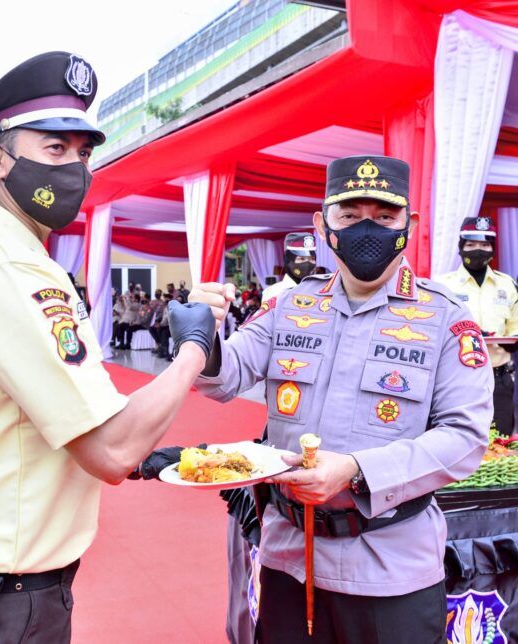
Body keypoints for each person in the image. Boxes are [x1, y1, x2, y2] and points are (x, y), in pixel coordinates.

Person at [0, 51, 215, 644]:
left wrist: (143, 454)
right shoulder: (9, 269)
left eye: (83, 152)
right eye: (54, 148)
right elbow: (110, 449)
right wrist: (194, 346)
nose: (74, 168)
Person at [185, 155, 493, 643]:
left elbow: (465, 438)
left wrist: (355, 469)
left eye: (384, 217)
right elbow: (224, 377)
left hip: (390, 570)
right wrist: (202, 331)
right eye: (349, 216)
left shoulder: (445, 318)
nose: (366, 229)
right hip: (290, 559)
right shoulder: (290, 306)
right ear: (322, 224)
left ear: (409, 225)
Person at [437, 217, 518, 436]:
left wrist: (512, 341)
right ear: (461, 247)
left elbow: (515, 326)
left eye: (484, 244)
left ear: (493, 248)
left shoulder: (507, 284)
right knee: (457, 439)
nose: (478, 250)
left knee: (501, 441)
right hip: (456, 378)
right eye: (471, 244)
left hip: (499, 376)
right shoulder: (442, 285)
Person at [262, 232, 317, 302]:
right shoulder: (273, 293)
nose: (308, 264)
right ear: (288, 261)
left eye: (312, 259)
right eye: (301, 258)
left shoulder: (319, 291)